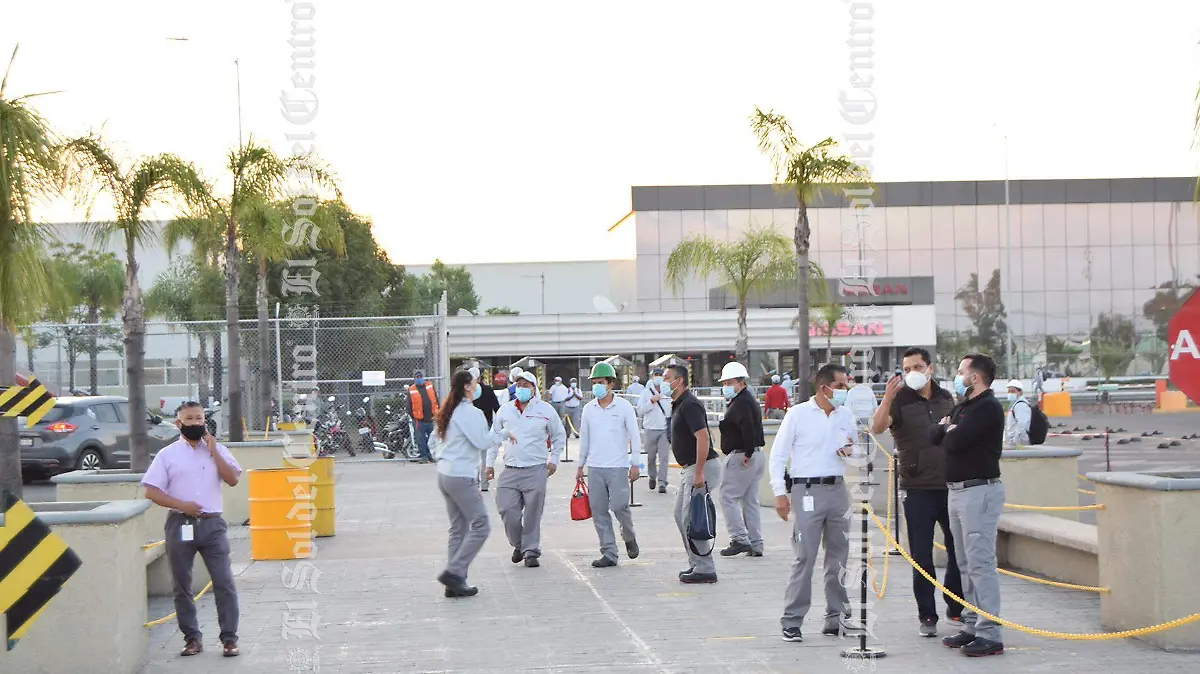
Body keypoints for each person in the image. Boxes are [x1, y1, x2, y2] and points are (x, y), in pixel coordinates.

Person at [869, 347, 963, 638]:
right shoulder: (899, 400)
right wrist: (886, 397)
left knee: (957, 550)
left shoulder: (946, 398)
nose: (912, 373)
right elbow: (877, 426)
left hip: (950, 484)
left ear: (930, 368)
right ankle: (927, 615)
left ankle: (955, 605)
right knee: (921, 555)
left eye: (917, 367)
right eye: (907, 368)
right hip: (916, 487)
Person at [140, 402, 243, 658]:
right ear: (178, 423)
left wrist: (214, 451)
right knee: (182, 585)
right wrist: (181, 505)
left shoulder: (218, 449)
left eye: (199, 418)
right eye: (190, 419)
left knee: (224, 582)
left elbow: (232, 479)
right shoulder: (167, 454)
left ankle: (229, 639)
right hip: (180, 524)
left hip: (213, 526)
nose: (196, 423)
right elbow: (151, 491)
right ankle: (192, 639)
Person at [770, 363, 856, 643]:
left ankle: (836, 617)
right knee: (804, 556)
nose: (845, 390)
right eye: (841, 385)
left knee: (838, 557)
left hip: (837, 489)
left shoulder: (846, 415)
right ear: (824, 387)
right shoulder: (798, 414)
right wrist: (780, 493)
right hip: (806, 490)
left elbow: (855, 448)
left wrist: (850, 450)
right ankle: (792, 619)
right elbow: (779, 455)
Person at [929, 354, 1006, 657]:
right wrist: (948, 429)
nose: (957, 375)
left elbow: (954, 441)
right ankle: (972, 624)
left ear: (975, 377)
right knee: (963, 563)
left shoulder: (987, 407)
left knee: (981, 564)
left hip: (980, 492)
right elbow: (934, 434)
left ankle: (991, 633)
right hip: (956, 492)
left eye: (961, 371)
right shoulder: (964, 406)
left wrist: (949, 430)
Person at [485, 371, 567, 567]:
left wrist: (554, 459)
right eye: (518, 385)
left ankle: (531, 551)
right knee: (507, 510)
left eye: (526, 385)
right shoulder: (505, 411)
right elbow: (494, 439)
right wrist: (489, 464)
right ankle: (519, 544)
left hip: (536, 469)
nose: (521, 388)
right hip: (511, 469)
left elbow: (558, 436)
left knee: (532, 513)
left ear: (533, 388)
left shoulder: (545, 410)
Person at [434, 370, 495, 598]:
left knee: (458, 528)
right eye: (476, 382)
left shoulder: (450, 410)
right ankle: (455, 573)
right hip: (461, 475)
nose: (478, 385)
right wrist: (503, 433)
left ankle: (455, 584)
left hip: (446, 473)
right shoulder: (470, 412)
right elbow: (481, 442)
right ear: (468, 386)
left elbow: (436, 441)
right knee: (481, 526)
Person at [575, 362, 642, 568]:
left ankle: (629, 536)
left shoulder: (623, 407)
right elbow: (584, 438)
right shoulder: (588, 409)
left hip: (618, 466)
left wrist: (635, 463)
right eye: (594, 383)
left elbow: (635, 435)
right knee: (599, 510)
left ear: (611, 384)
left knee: (620, 506)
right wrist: (580, 465)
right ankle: (609, 552)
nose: (597, 386)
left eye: (601, 382)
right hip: (595, 467)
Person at [664, 363, 723, 584]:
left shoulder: (689, 405)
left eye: (668, 377)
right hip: (690, 467)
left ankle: (705, 568)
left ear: (679, 381)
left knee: (690, 517)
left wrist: (699, 473)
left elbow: (703, 438)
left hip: (701, 466)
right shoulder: (678, 404)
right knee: (680, 515)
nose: (664, 381)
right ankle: (696, 563)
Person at [716, 361, 766, 558]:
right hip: (755, 454)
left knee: (727, 497)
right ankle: (756, 542)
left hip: (742, 456)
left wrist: (746, 452)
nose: (726, 386)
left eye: (729, 382)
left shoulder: (741, 402)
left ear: (740, 382)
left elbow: (747, 428)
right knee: (750, 500)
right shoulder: (747, 400)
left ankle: (739, 538)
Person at [637, 367, 672, 493]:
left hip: (664, 429)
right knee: (651, 457)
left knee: (664, 457)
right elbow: (640, 410)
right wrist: (651, 402)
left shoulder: (667, 391)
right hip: (650, 429)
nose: (658, 377)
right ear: (652, 376)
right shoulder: (646, 392)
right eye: (656, 374)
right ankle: (652, 476)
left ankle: (662, 482)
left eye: (660, 375)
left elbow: (671, 409)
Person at [472, 367, 501, 492]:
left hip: (472, 426)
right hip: (486, 425)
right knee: (484, 456)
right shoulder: (488, 390)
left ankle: (474, 483)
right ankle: (484, 484)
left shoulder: (467, 391)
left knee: (473, 456)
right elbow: (496, 407)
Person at [408, 369, 439, 464]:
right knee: (420, 439)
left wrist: (437, 412)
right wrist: (414, 416)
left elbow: (436, 400)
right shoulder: (411, 389)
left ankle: (431, 456)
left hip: (431, 418)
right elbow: (408, 405)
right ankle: (424, 457)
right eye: (417, 377)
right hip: (419, 420)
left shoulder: (430, 386)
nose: (419, 379)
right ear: (414, 378)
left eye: (420, 377)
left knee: (432, 438)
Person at [1003, 379, 1031, 448]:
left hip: (1018, 443)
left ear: (1020, 392)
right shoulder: (1015, 404)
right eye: (1009, 391)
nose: (1010, 393)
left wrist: (1015, 441)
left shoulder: (1021, 405)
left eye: (1012, 391)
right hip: (1014, 443)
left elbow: (1022, 424)